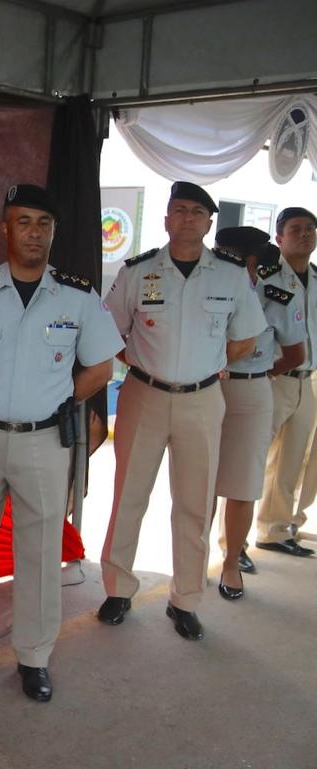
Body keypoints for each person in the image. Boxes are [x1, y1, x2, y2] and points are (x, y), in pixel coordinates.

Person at [0, 184, 122, 701]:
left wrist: (65, 400)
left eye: (44, 223)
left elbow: (102, 365)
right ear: (5, 227)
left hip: (45, 440)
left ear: (54, 231)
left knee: (39, 551)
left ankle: (35, 656)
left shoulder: (79, 296)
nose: (34, 232)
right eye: (23, 222)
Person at [98, 181, 265, 640]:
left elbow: (247, 336)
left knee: (194, 503)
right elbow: (110, 332)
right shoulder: (138, 271)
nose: (188, 218)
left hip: (203, 398)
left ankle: (186, 598)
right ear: (166, 219)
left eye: (197, 212)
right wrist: (149, 366)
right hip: (143, 394)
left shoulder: (230, 276)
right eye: (180, 210)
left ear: (209, 223)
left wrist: (207, 367)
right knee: (129, 493)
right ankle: (117, 588)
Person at [212, 228, 305, 598]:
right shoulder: (208, 289)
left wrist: (260, 373)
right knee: (199, 481)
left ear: (250, 261)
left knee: (244, 483)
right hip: (207, 388)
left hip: (251, 391)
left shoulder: (277, 296)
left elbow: (295, 354)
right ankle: (193, 559)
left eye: (231, 257)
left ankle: (232, 563)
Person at [256, 207, 317, 558]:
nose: (305, 234)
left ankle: (275, 530)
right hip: (271, 377)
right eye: (296, 229)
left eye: (310, 228)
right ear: (280, 238)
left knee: (293, 460)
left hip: (305, 380)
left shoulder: (315, 280)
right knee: (252, 459)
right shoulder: (267, 278)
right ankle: (234, 543)